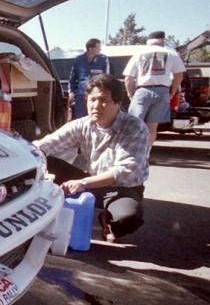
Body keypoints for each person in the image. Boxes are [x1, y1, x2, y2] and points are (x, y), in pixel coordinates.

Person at [34, 73, 149, 243]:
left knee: (128, 218)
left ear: (118, 102)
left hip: (121, 187)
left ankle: (107, 219)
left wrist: (83, 183)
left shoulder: (134, 127)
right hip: (90, 178)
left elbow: (125, 171)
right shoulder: (83, 124)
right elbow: (46, 144)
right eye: (91, 100)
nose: (96, 106)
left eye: (103, 100)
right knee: (43, 161)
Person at [123, 30, 186, 145]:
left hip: (143, 90)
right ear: (163, 41)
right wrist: (171, 92)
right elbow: (179, 75)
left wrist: (130, 94)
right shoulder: (171, 53)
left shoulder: (139, 53)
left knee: (133, 124)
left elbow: (128, 78)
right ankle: (146, 154)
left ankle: (131, 153)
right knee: (152, 127)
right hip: (162, 92)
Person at [67, 38, 109, 119]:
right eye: (98, 48)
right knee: (80, 119)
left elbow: (107, 77)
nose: (100, 49)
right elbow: (72, 78)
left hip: (97, 94)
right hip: (80, 95)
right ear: (91, 49)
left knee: (96, 117)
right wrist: (71, 92)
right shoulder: (78, 60)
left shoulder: (103, 59)